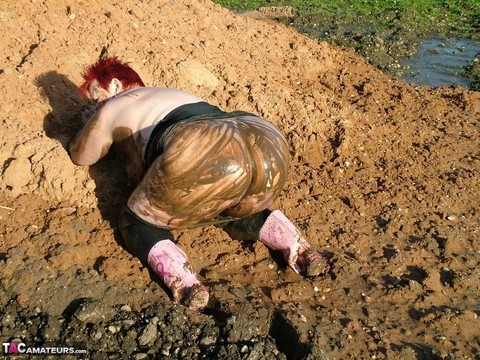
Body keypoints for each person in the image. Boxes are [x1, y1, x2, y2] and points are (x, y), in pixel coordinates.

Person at [69, 56, 326, 310]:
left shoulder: (116, 104)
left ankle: (187, 283)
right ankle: (299, 247)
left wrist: (89, 121)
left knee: (136, 220)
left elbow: (82, 155)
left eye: (96, 95)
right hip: (264, 138)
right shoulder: (169, 94)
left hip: (205, 146)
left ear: (114, 85)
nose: (95, 104)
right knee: (227, 206)